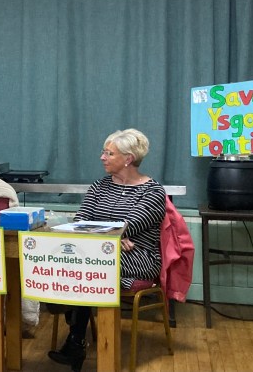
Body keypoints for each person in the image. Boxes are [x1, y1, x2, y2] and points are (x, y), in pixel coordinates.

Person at [47, 128, 166, 371]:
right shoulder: (99, 186)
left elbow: (130, 226)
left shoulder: (153, 192)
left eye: (109, 153)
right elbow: (80, 221)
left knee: (86, 266)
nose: (102, 157)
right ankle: (76, 338)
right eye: (104, 152)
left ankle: (75, 339)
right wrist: (111, 236)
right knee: (74, 263)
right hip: (98, 252)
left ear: (128, 159)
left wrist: (112, 234)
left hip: (138, 257)